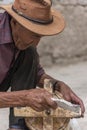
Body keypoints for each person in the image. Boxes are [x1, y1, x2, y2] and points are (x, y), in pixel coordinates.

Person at [0, 0, 85, 130]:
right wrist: (25, 97)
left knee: (30, 53)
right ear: (15, 22)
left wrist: (58, 85)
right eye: (34, 35)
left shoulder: (22, 41)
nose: (36, 43)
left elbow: (35, 74)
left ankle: (18, 126)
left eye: (40, 37)